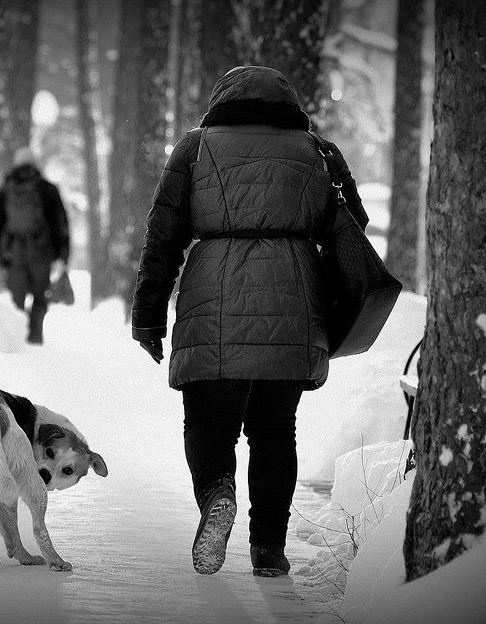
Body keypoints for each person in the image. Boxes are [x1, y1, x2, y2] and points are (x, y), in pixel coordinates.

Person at [131, 66, 367, 577]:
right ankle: (269, 549)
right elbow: (353, 226)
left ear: (223, 102)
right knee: (275, 430)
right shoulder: (318, 152)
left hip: (213, 298)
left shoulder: (196, 148)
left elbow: (163, 236)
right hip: (294, 300)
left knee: (208, 423)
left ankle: (218, 494)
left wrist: (148, 316)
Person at [0, 148, 70, 344]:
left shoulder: (6, 189)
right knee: (40, 296)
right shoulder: (47, 189)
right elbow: (59, 223)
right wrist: (62, 254)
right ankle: (34, 337)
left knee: (16, 298)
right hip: (41, 251)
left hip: (14, 252)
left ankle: (17, 339)